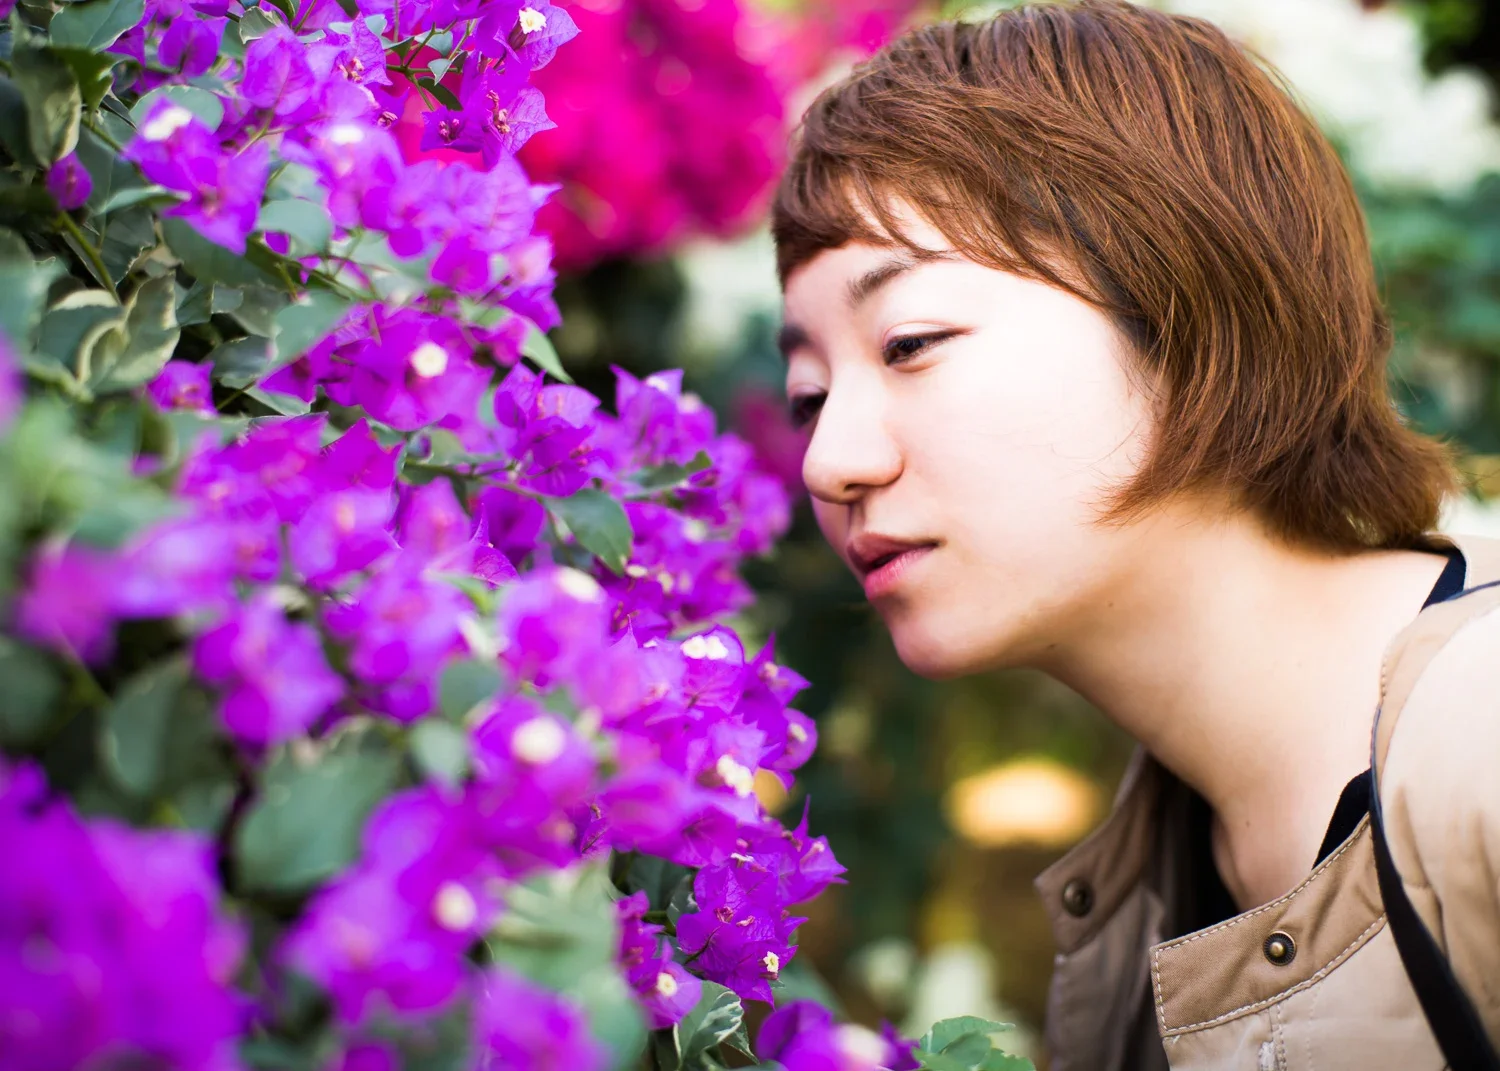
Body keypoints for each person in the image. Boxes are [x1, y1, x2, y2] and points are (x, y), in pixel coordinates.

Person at [769, 2, 1500, 1069]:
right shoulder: (1147, 877)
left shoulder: (1480, 750)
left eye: (911, 342)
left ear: (1185, 301)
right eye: (806, 394)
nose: (830, 461)